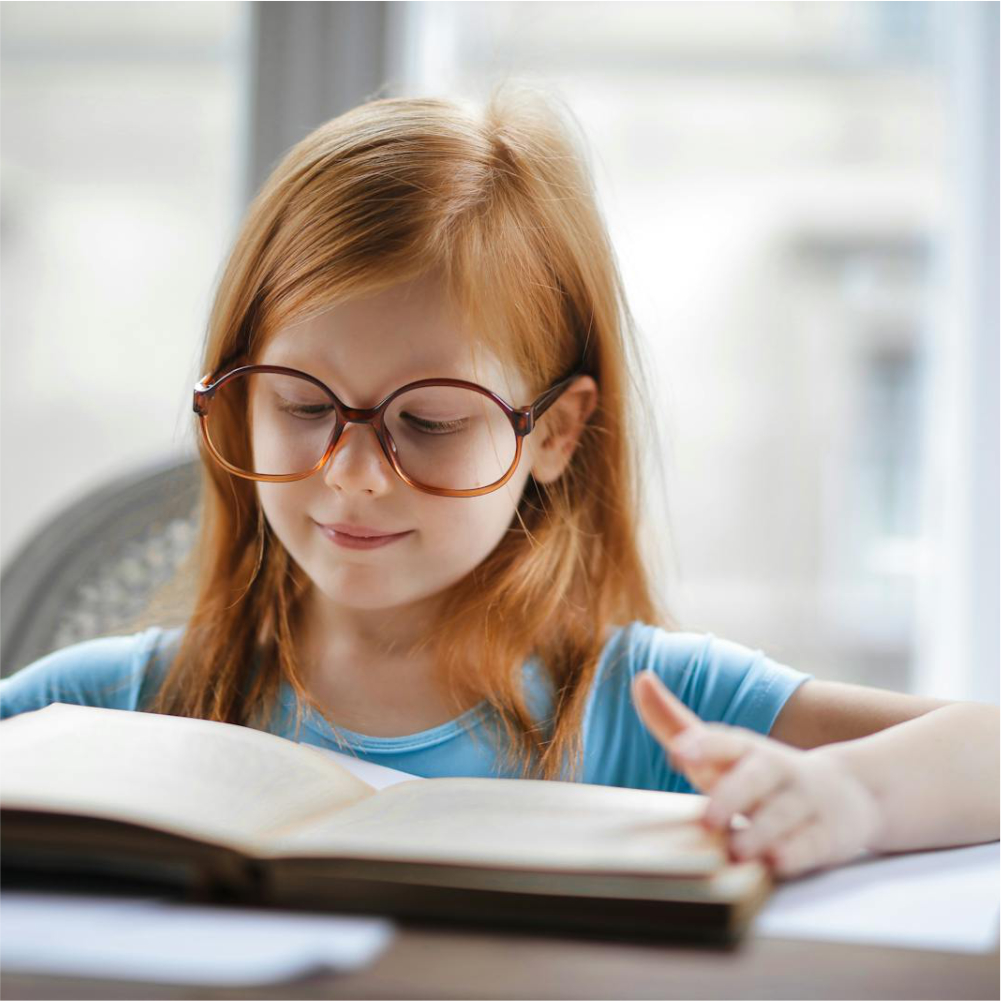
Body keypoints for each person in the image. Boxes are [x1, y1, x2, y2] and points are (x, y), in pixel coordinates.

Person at [2, 84, 997, 881]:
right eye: (301, 405)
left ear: (553, 433)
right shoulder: (120, 705)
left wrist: (854, 798)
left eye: (426, 423)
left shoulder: (652, 702)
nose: (350, 475)